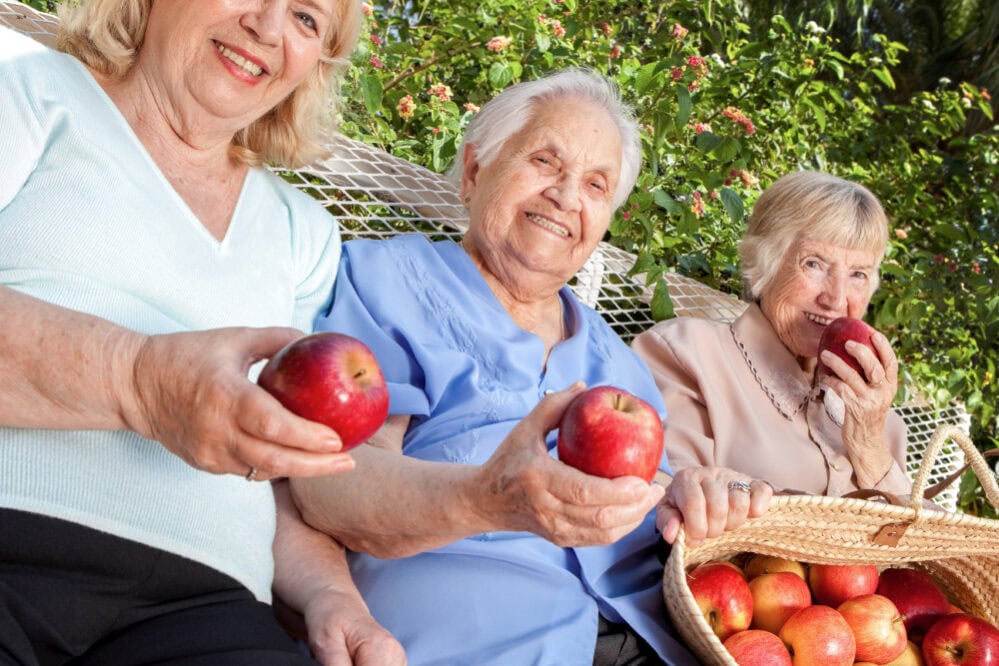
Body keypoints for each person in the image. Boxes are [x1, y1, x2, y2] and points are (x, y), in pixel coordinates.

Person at [290, 68, 773, 666]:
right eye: (545, 161)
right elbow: (332, 484)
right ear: (473, 172)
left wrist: (693, 497)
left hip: (657, 642)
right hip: (483, 642)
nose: (568, 197)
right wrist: (482, 499)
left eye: (596, 186)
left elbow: (657, 519)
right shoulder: (388, 282)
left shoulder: (618, 362)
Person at [0, 1, 404, 663]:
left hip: (205, 607)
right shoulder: (28, 90)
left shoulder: (303, 234)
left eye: (307, 18)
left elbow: (274, 473)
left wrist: (333, 597)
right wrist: (137, 381)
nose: (269, 28)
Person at [632, 170, 911, 498]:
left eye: (858, 274)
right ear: (765, 262)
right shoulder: (687, 353)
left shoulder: (879, 418)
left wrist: (869, 446)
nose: (836, 299)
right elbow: (672, 493)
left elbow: (928, 545)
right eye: (814, 264)